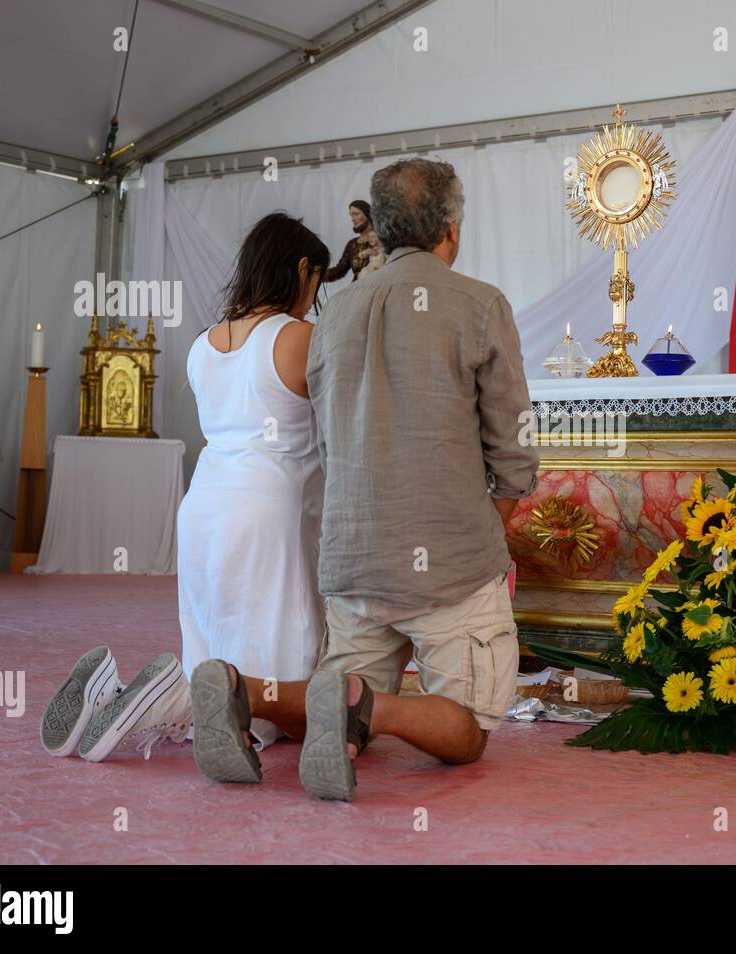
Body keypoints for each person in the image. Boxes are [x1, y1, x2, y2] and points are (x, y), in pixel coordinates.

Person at [191, 157, 540, 801]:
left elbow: (327, 436)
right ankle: (365, 709)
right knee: (468, 730)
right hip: (451, 563)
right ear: (452, 230)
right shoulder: (482, 305)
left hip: (351, 559)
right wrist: (491, 534)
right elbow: (513, 449)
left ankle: (251, 692)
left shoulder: (331, 319)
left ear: (376, 229)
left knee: (334, 687)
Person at [39, 212, 330, 771]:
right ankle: (156, 705)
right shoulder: (300, 338)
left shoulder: (203, 344)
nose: (314, 299)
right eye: (316, 284)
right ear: (300, 268)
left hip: (204, 506)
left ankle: (117, 697)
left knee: (214, 635)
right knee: (280, 675)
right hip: (271, 510)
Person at [324, 200, 374, 284]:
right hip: (358, 288)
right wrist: (317, 274)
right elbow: (339, 270)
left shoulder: (382, 238)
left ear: (367, 214)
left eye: (356, 214)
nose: (352, 219)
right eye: (351, 215)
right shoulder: (352, 244)